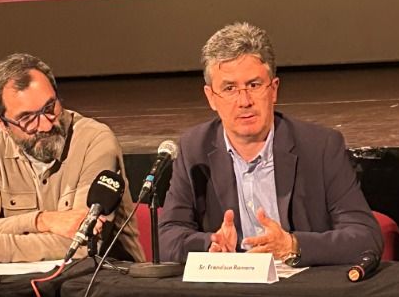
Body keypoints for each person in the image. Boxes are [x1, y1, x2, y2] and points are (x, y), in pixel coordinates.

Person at [158, 22, 381, 266]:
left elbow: (365, 237)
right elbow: (167, 237)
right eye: (230, 88)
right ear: (211, 97)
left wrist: (292, 246)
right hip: (230, 286)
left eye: (254, 85)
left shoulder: (320, 147)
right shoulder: (194, 149)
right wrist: (209, 244)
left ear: (273, 90)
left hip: (302, 285)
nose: (244, 101)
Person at [0, 53, 142, 263]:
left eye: (49, 108)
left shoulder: (94, 140)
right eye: (27, 118)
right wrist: (42, 221)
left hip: (101, 277)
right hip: (21, 281)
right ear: (1, 123)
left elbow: (83, 244)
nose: (45, 125)